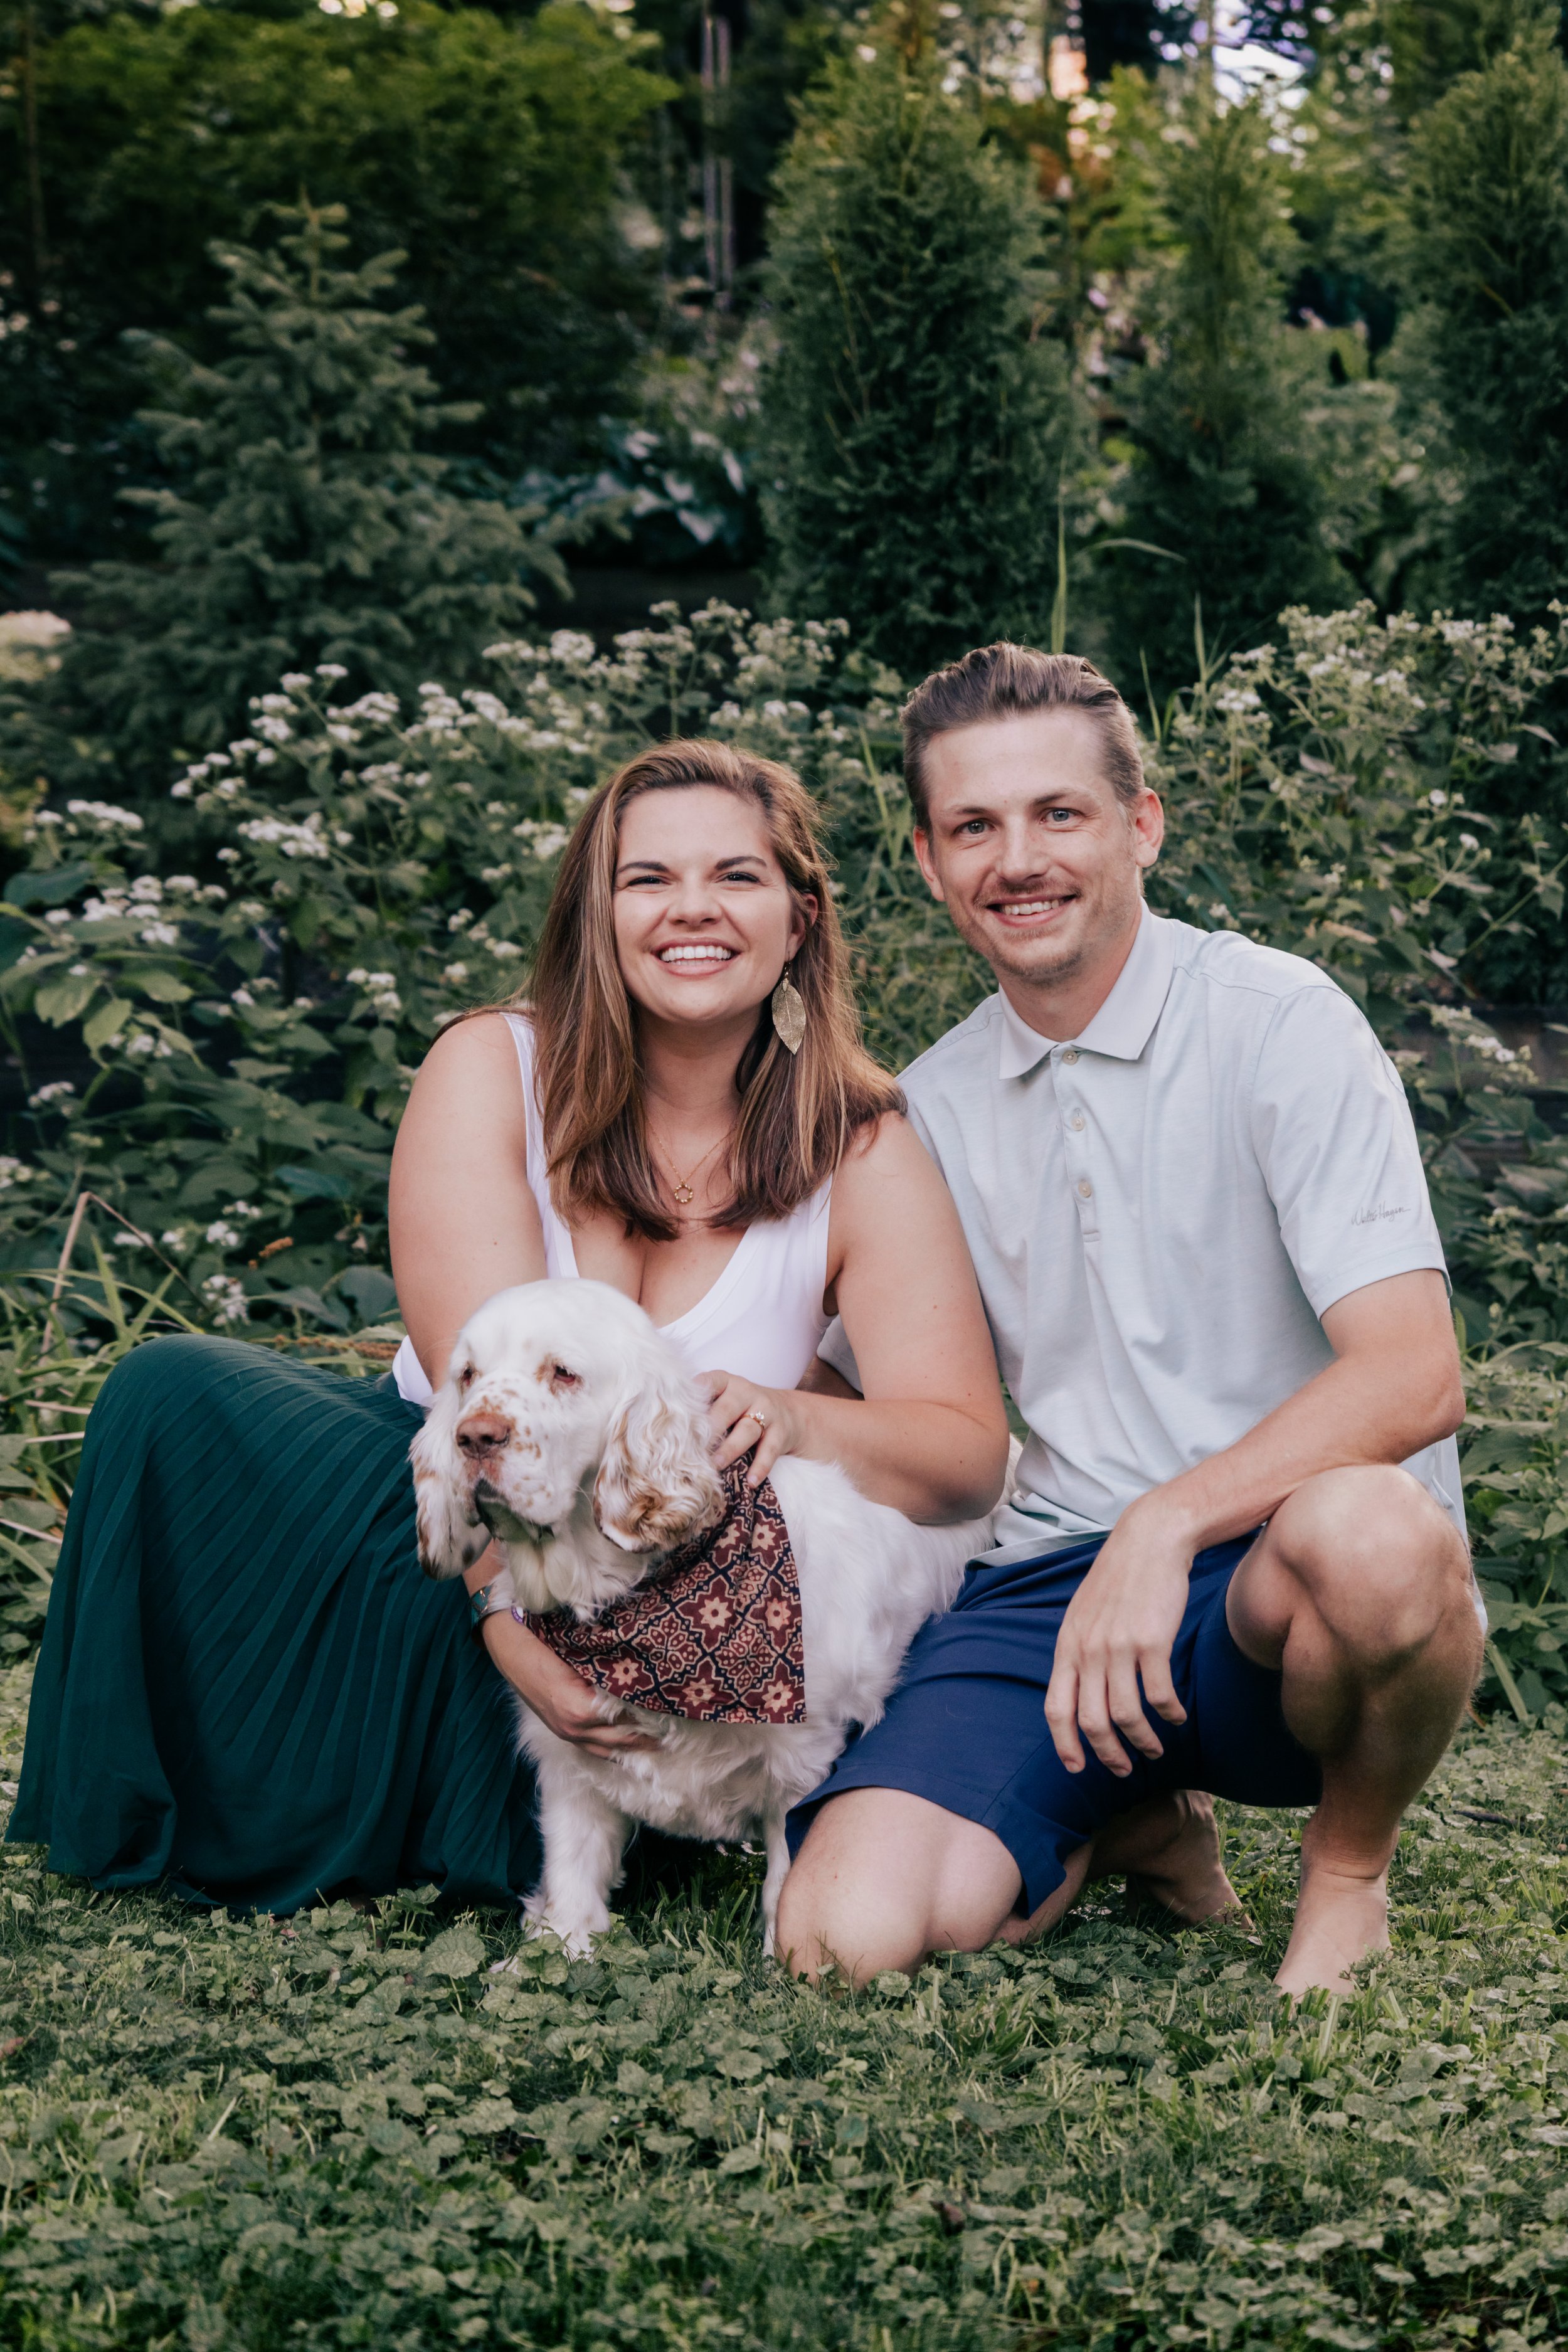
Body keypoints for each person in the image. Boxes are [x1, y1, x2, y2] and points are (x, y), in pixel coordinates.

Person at [10, 739, 1008, 1912]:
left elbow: (964, 1454)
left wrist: (795, 1415)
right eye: (647, 879)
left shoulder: (861, 1145)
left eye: (737, 876)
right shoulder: (493, 1064)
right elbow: (459, 1402)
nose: (693, 910)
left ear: (800, 916)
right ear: (597, 909)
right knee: (167, 1387)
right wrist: (501, 1615)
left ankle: (576, 1803)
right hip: (439, 1525)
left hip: (663, 1567)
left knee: (669, 1600)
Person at [776, 645, 1483, 1996]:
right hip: (1049, 1588)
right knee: (836, 1942)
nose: (1015, 859)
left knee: (1378, 1537)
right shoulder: (919, 1112)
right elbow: (848, 1392)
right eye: (972, 826)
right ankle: (1132, 1817)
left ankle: (1343, 1872)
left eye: (1058, 814)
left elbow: (1410, 1376)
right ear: (927, 863)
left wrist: (1162, 1525)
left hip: (1285, 1592)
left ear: (1139, 825)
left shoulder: (1278, 1023)